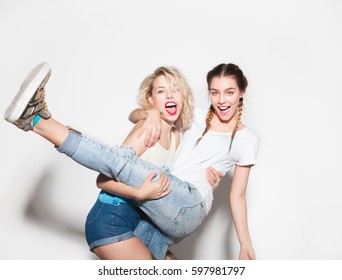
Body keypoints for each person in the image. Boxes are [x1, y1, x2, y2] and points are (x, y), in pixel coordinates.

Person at [4, 62, 258, 259]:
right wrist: (149, 115)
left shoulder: (247, 140)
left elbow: (237, 196)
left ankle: (38, 120)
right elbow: (137, 114)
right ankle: (36, 120)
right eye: (215, 93)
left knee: (120, 162)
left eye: (229, 92)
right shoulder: (192, 117)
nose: (222, 100)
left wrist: (245, 244)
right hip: (162, 214)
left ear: (242, 92)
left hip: (190, 203)